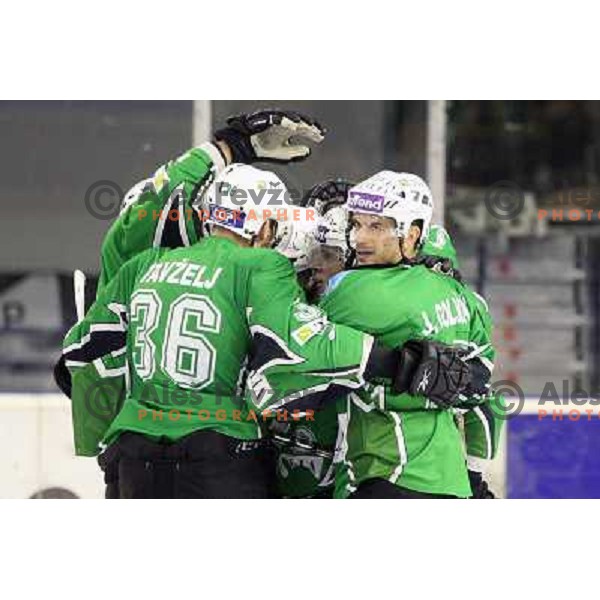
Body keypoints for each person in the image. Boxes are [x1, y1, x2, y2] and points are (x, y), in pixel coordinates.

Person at [61, 164, 474, 498]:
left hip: (133, 451)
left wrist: (107, 432)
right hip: (220, 449)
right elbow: (304, 343)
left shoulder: (145, 265)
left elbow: (78, 354)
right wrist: (400, 364)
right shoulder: (262, 268)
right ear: (262, 228)